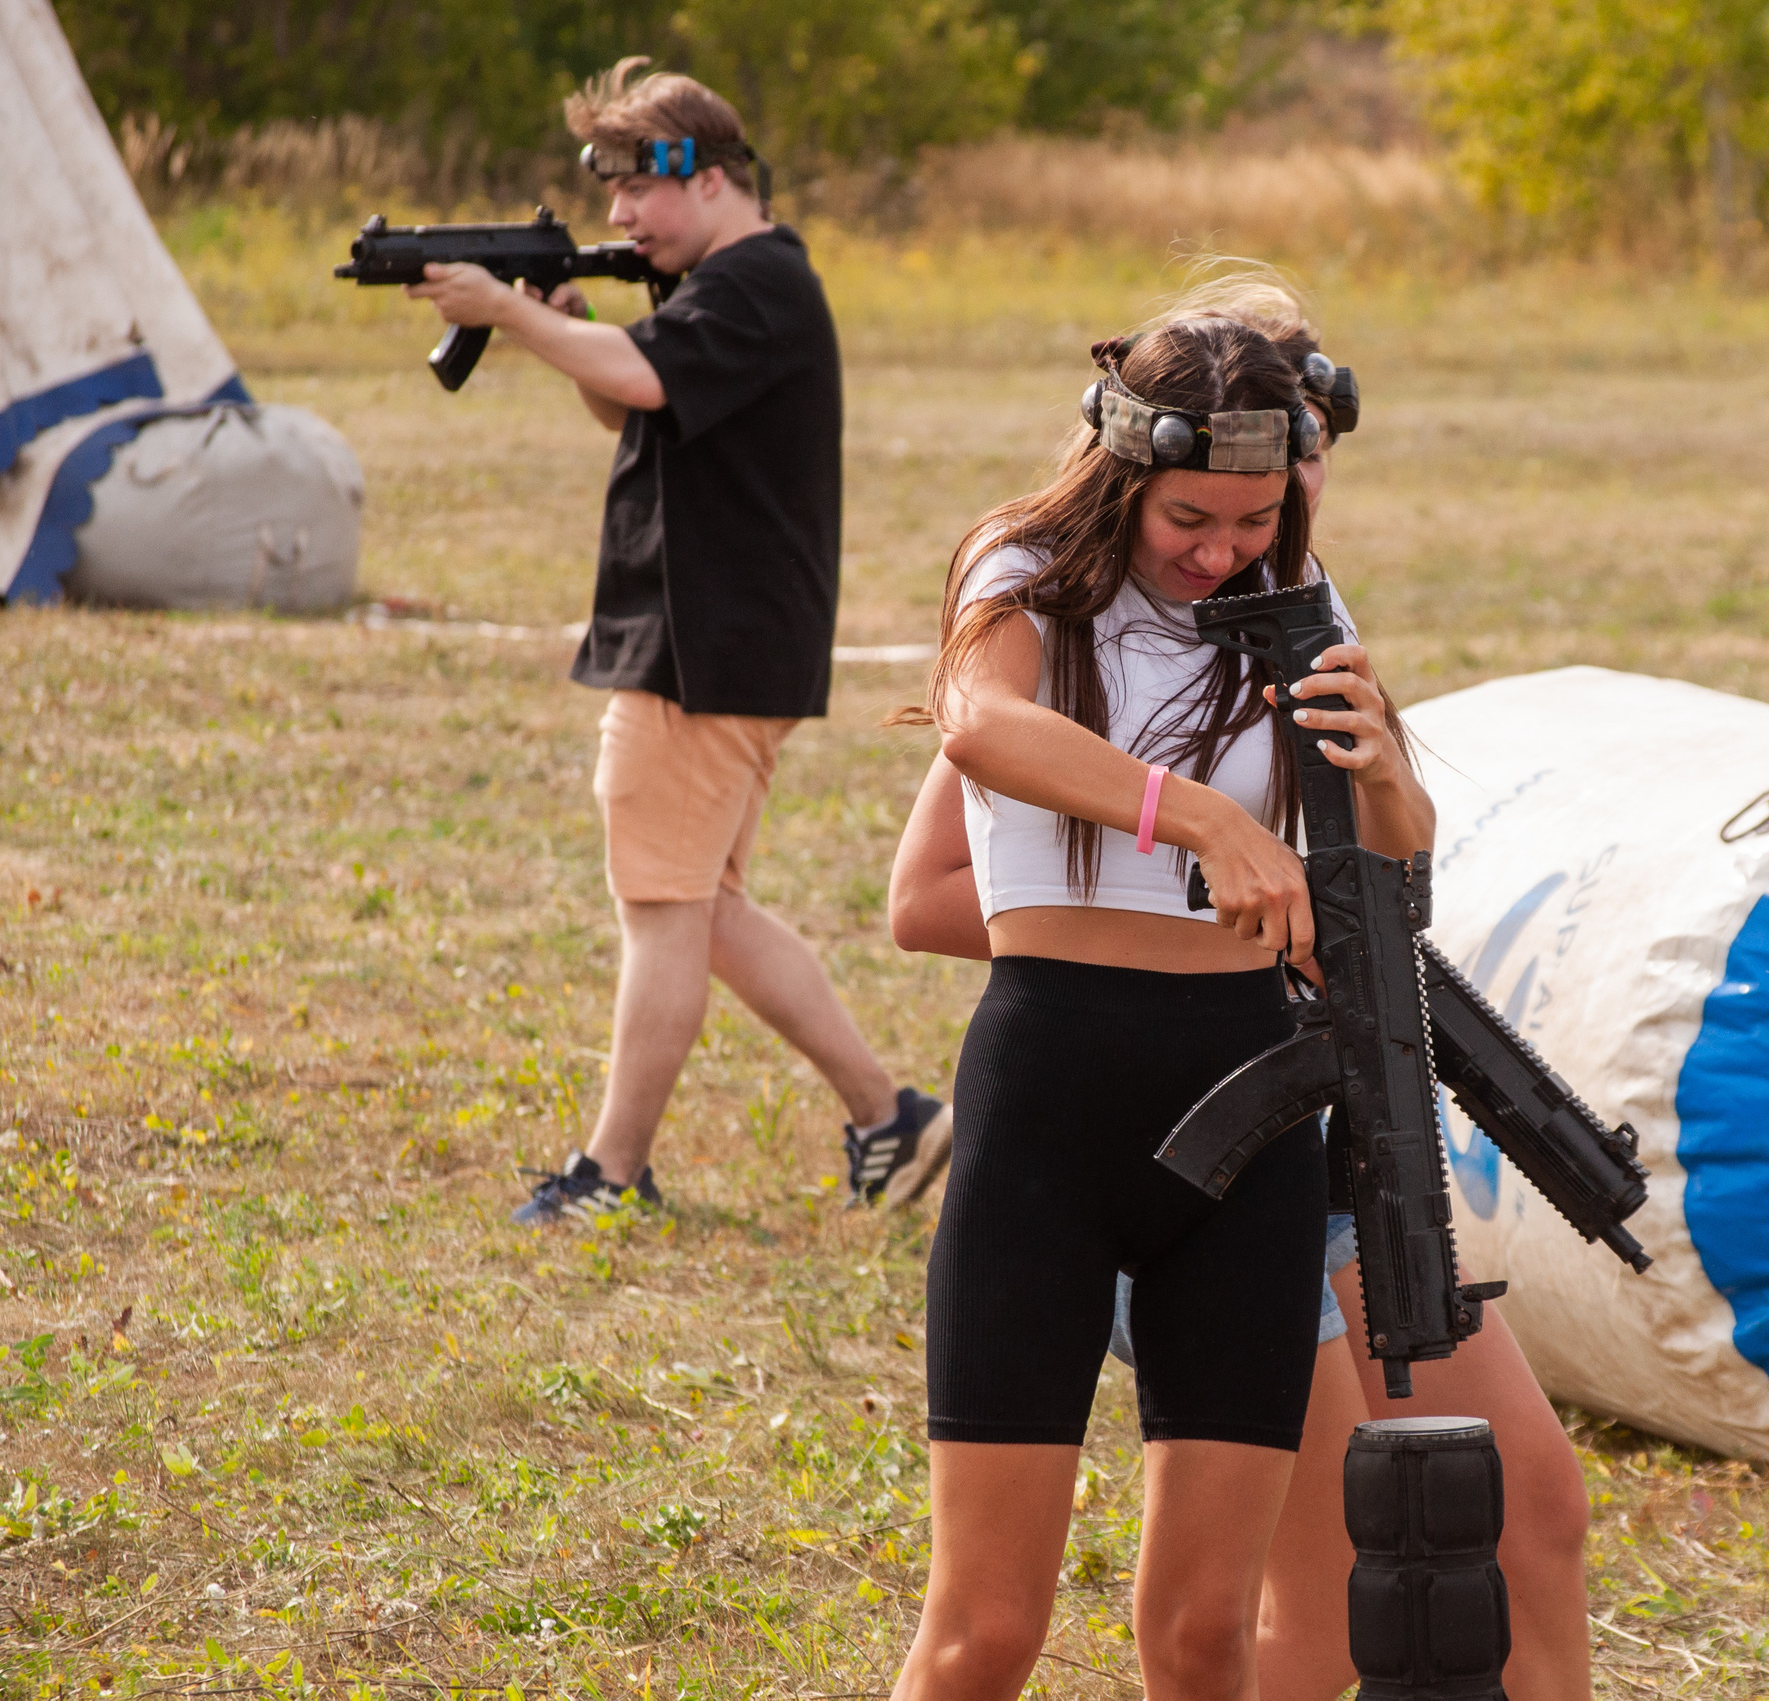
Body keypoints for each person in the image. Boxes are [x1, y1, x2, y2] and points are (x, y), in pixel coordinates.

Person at [888, 280, 1595, 1701]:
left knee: (1215, 1633)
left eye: (1252, 521)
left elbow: (1393, 874)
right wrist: (1202, 819)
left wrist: (1388, 775)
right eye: (1189, 520)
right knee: (984, 1634)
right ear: (1124, 472)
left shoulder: (1296, 598)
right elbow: (982, 727)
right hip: (1055, 1099)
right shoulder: (1024, 572)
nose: (1221, 552)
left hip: (1252, 1117)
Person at [400, 57, 948, 1224]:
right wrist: (560, 324)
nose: (615, 216)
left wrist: (504, 312)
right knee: (704, 909)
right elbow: (638, 392)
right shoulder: (733, 284)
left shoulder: (754, 284)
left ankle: (610, 1172)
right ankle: (887, 1117)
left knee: (661, 912)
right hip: (720, 642)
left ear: (698, 178)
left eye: (631, 189)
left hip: (701, 648)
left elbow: (646, 381)